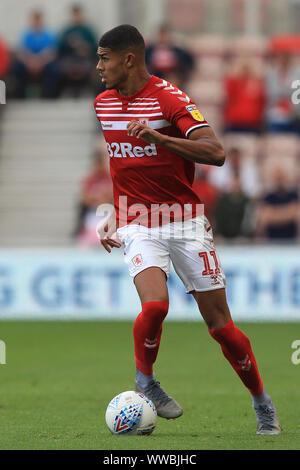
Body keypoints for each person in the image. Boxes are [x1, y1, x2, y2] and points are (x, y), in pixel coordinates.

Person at [94, 24, 280, 434]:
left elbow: (216, 153)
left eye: (104, 58)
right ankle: (146, 381)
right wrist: (116, 211)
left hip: (186, 223)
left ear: (129, 59)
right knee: (156, 305)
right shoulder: (103, 103)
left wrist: (162, 138)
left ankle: (261, 401)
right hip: (140, 222)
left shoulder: (169, 98)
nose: (98, 66)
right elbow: (122, 162)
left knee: (222, 328)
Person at [13, 10, 59, 98]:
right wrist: (30, 62)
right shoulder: (26, 34)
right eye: (35, 19)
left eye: (38, 19)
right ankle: (20, 96)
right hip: (28, 62)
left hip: (44, 62)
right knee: (17, 68)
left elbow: (52, 52)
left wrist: (40, 62)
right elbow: (21, 51)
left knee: (53, 69)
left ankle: (48, 96)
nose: (36, 22)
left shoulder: (48, 34)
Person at [58, 4, 98, 97]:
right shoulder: (66, 31)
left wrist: (85, 47)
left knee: (89, 68)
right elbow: (60, 49)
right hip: (69, 60)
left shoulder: (88, 31)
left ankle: (88, 91)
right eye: (74, 14)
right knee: (63, 68)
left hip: (85, 60)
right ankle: (67, 91)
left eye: (78, 14)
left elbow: (96, 48)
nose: (76, 17)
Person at [256, 166, 299, 241]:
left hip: (291, 240)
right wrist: (287, 212)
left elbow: (295, 213)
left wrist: (274, 214)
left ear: (285, 178)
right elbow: (265, 216)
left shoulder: (293, 195)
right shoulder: (268, 196)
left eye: (281, 178)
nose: (279, 180)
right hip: (271, 240)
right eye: (277, 178)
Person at [145, 24, 195, 89]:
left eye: (165, 35)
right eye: (161, 34)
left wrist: (179, 74)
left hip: (172, 75)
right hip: (154, 75)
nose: (163, 37)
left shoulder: (178, 51)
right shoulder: (149, 50)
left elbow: (189, 62)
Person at [223, 58, 265, 134]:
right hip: (234, 121)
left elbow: (261, 102)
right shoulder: (234, 82)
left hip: (252, 122)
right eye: (243, 68)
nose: (246, 71)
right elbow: (228, 93)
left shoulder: (257, 84)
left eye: (248, 68)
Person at [265, 52, 300, 134]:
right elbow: (271, 93)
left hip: (294, 115)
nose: (284, 60)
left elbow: (297, 94)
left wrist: (292, 108)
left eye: (287, 57)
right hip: (275, 114)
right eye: (282, 58)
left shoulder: (297, 74)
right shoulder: (271, 75)